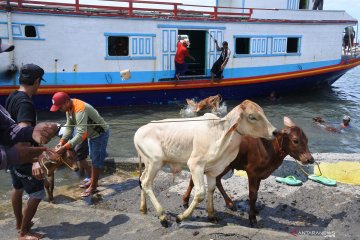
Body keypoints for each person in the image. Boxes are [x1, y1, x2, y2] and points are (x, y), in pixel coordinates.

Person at [5, 63, 47, 240]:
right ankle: (24, 233)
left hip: (10, 153)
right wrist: (35, 160)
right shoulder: (25, 103)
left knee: (18, 187)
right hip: (23, 156)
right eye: (40, 82)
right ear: (37, 81)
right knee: (37, 193)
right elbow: (23, 131)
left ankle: (19, 223)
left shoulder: (12, 97)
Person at [50, 92, 109, 197]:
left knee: (96, 160)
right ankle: (92, 180)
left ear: (67, 102)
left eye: (60, 107)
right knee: (93, 157)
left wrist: (65, 147)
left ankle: (94, 187)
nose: (59, 109)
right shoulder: (69, 109)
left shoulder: (80, 109)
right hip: (92, 135)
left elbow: (81, 134)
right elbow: (69, 126)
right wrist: (61, 142)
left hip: (100, 135)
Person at [0, 105, 58, 170]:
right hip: (21, 161)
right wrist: (11, 156)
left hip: (16, 159)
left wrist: (31, 132)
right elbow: (22, 125)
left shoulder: (13, 97)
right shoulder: (25, 104)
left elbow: (8, 130)